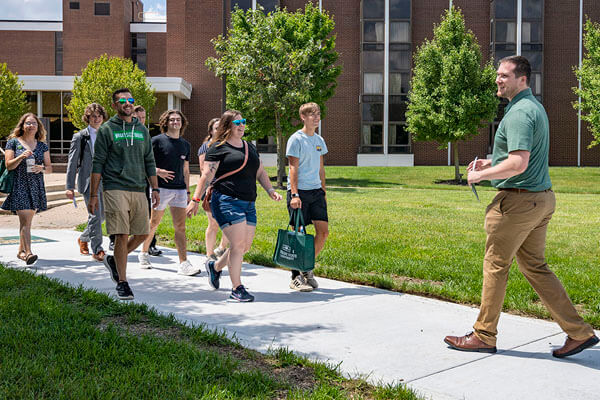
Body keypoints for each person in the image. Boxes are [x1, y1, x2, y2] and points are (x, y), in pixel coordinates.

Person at [444, 56, 599, 358]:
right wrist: (492, 161)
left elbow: (518, 163)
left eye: (504, 75)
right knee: (535, 267)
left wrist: (478, 174)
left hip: (517, 202)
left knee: (495, 265)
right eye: (498, 75)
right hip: (541, 199)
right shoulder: (534, 108)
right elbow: (520, 155)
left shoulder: (517, 113)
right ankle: (579, 333)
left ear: (522, 79)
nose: (498, 80)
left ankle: (483, 335)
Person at [186, 110, 282, 302]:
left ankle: (214, 267)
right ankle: (236, 288)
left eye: (243, 122)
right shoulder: (217, 148)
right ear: (227, 126)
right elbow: (206, 176)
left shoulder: (249, 147)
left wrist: (270, 190)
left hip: (248, 202)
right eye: (236, 123)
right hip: (226, 200)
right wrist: (195, 200)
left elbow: (260, 171)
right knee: (237, 245)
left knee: (244, 246)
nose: (241, 126)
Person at [88, 88, 159, 300]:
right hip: (114, 186)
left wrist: (154, 188)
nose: (127, 103)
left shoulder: (142, 130)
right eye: (122, 101)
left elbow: (150, 161)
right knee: (121, 233)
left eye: (130, 100)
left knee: (143, 233)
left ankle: (115, 260)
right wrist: (93, 195)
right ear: (114, 105)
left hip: (139, 187)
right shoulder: (107, 129)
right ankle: (123, 282)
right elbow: (97, 162)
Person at [138, 110, 200, 275]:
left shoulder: (185, 145)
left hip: (179, 190)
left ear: (182, 122)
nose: (175, 122)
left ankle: (183, 263)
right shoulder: (157, 141)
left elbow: (186, 170)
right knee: (154, 223)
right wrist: (158, 171)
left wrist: (188, 192)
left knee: (180, 227)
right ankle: (143, 253)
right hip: (160, 189)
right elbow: (144, 162)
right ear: (165, 122)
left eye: (178, 119)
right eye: (172, 120)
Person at [286, 102, 329, 292]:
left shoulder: (319, 140)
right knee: (299, 234)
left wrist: (324, 191)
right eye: (312, 114)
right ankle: (295, 277)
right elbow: (293, 168)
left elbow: (321, 169)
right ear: (303, 117)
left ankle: (306, 267)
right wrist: (294, 194)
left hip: (316, 191)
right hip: (299, 192)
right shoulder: (296, 139)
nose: (316, 117)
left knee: (323, 232)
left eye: (318, 114)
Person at [108, 105, 162, 255]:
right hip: (123, 181)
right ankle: (114, 240)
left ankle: (150, 243)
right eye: (138, 118)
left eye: (144, 118)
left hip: (142, 181)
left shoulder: (145, 134)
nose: (141, 120)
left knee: (146, 213)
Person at [1, 113, 53, 265]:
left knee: (26, 221)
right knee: (25, 221)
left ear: (38, 127)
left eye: (34, 123)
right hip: (19, 185)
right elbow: (8, 165)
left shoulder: (42, 145)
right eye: (28, 123)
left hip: (35, 185)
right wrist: (21, 157)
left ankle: (20, 251)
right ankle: (29, 253)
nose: (31, 126)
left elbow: (49, 168)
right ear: (22, 126)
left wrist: (41, 168)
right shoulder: (13, 143)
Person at [65, 103, 108, 262]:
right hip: (89, 182)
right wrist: (69, 186)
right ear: (88, 118)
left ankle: (83, 238)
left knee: (102, 216)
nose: (96, 119)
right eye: (93, 116)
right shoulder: (80, 137)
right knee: (95, 215)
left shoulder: (107, 134)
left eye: (99, 116)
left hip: (106, 181)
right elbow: (72, 162)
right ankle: (97, 250)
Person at [198, 117, 229, 260]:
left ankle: (222, 248)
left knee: (228, 222)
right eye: (216, 128)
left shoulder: (228, 145)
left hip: (228, 189)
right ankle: (209, 254)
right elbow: (204, 171)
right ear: (211, 131)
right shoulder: (206, 147)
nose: (219, 130)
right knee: (214, 223)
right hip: (212, 189)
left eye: (221, 127)